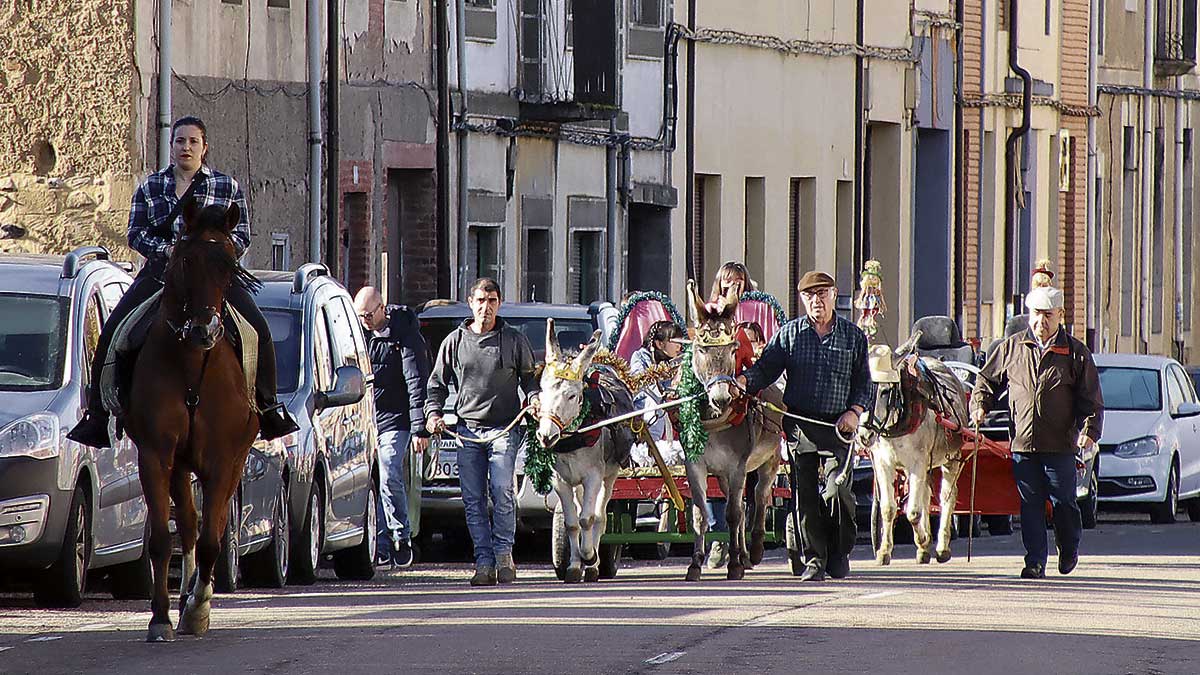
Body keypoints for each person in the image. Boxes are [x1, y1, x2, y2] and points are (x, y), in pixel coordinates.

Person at [68, 116, 298, 449]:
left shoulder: (226, 187)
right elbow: (135, 233)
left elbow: (243, 234)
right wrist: (168, 250)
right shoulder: (151, 186)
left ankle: (267, 405)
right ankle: (99, 413)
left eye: (192, 141)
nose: (185, 147)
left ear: (204, 148)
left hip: (212, 280)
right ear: (171, 146)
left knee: (258, 329)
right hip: (161, 274)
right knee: (114, 331)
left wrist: (213, 259)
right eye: (179, 141)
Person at [737, 271, 872, 581]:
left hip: (840, 426)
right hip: (800, 425)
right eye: (810, 296)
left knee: (838, 493)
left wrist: (854, 412)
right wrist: (742, 381)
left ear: (834, 295)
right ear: (802, 300)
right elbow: (765, 369)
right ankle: (813, 559)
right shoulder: (791, 334)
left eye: (822, 294)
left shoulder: (853, 336)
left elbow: (864, 383)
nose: (816, 301)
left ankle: (839, 552)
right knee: (805, 497)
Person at [970, 271, 1103, 579]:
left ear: (1060, 316)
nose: (1040, 321)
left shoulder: (1075, 352)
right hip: (1023, 444)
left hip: (1060, 445)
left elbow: (1092, 399)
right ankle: (1035, 561)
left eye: (1047, 315)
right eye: (1035, 314)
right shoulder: (1012, 347)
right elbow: (986, 382)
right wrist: (979, 406)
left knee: (1064, 504)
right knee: (1030, 504)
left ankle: (1068, 547)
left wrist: (1089, 432)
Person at [425, 278, 539, 587]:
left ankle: (504, 555)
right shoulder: (455, 342)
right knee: (473, 499)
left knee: (502, 491)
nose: (485, 307)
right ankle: (483, 562)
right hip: (467, 432)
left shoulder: (514, 340)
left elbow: (530, 379)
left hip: (504, 429)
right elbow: (436, 384)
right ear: (470, 302)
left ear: (499, 303)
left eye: (491, 301)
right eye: (480, 300)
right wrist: (433, 414)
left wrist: (533, 398)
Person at [354, 286, 431, 569]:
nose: (364, 320)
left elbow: (416, 382)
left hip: (396, 419)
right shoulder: (357, 336)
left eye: (368, 314)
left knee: (388, 472)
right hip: (363, 419)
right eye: (359, 315)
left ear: (382, 308)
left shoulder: (405, 337)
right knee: (368, 480)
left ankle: (400, 536)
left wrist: (419, 428)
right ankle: (380, 543)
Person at [629, 320, 684, 458]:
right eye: (675, 341)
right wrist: (664, 395)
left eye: (681, 341)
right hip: (645, 414)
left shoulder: (679, 362)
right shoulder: (640, 356)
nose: (679, 346)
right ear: (659, 344)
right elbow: (641, 382)